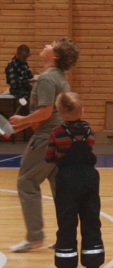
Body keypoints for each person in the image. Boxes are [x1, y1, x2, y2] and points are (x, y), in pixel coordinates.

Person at [9, 37, 79, 252]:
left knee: (26, 182)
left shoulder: (47, 78)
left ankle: (34, 237)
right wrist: (24, 124)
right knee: (60, 188)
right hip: (62, 136)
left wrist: (23, 119)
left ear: (55, 55)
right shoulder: (60, 77)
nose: (47, 45)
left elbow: (46, 111)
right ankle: (66, 237)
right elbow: (52, 112)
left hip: (47, 138)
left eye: (51, 45)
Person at [45, 92, 104, 268]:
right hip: (89, 179)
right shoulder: (89, 131)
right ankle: (93, 264)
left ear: (59, 112)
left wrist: (60, 156)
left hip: (66, 180)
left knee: (66, 222)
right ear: (82, 111)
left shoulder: (57, 133)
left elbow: (49, 157)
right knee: (91, 220)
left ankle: (65, 265)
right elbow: (90, 151)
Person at [5, 45, 33, 115]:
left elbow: (29, 76)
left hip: (26, 88)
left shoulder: (24, 63)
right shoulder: (12, 63)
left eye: (27, 56)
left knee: (36, 94)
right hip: (17, 90)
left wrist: (35, 77)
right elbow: (14, 83)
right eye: (24, 56)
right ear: (18, 53)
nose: (25, 58)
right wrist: (27, 80)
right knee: (25, 102)